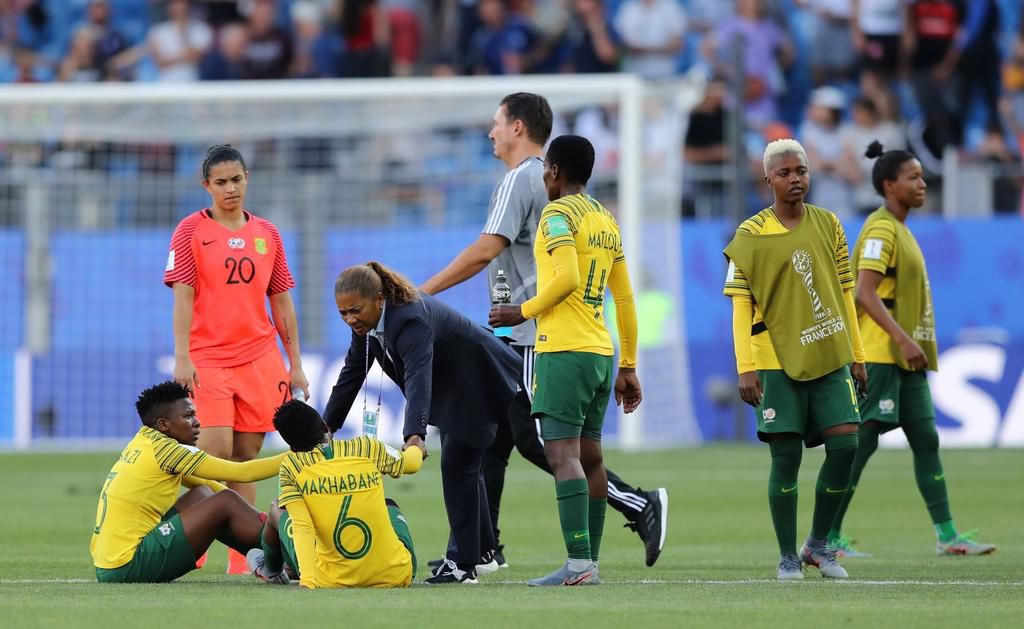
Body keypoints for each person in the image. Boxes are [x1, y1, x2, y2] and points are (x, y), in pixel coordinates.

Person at [421, 92, 668, 569]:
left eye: (496, 123)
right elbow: (617, 292)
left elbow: (485, 250)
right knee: (490, 438)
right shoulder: (591, 208)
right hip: (564, 337)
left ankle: (633, 509)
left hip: (544, 337)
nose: (490, 132)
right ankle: (483, 548)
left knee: (542, 441)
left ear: (518, 128)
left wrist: (421, 292)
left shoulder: (523, 181)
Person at [827, 141, 997, 558]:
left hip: (906, 361)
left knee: (927, 441)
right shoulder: (880, 229)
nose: (922, 184)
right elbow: (864, 293)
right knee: (859, 446)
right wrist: (902, 338)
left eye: (922, 176)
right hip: (882, 356)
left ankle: (948, 535)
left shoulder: (900, 230)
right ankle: (825, 538)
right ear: (889, 185)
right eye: (913, 177)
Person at [488, 134, 641, 586]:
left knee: (561, 454)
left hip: (563, 350)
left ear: (552, 171)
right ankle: (589, 562)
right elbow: (626, 297)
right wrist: (628, 364)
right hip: (599, 352)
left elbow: (569, 278)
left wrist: (523, 310)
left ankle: (578, 564)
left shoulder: (557, 214)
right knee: (591, 456)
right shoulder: (605, 219)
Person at [722, 138, 867, 580]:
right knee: (786, 459)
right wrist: (745, 366)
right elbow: (741, 306)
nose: (795, 179)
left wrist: (857, 355)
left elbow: (845, 293)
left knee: (846, 445)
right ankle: (787, 555)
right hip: (774, 360)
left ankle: (818, 546)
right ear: (767, 179)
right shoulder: (750, 236)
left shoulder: (829, 224)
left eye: (800, 170)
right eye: (784, 173)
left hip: (828, 353)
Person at [324, 261, 520, 584]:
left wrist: (415, 435)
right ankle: (482, 551)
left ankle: (462, 565)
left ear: (378, 298)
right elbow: (352, 373)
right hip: (455, 385)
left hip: (478, 377)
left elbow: (418, 377)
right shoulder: (366, 325)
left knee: (458, 467)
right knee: (466, 467)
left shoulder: (409, 319)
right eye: (343, 313)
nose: (350, 319)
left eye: (355, 310)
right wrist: (325, 427)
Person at [164, 144, 309, 574]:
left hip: (259, 357)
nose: (231, 188)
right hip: (208, 357)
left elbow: (282, 303)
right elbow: (183, 298)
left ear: (248, 179)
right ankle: (192, 544)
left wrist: (294, 361)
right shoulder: (190, 231)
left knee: (246, 456)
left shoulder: (268, 233)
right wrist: (182, 356)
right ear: (206, 186)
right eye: (221, 182)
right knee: (212, 453)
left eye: (237, 179)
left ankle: (243, 559)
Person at [89, 381, 285, 583]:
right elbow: (241, 472)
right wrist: (296, 456)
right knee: (225, 500)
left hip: (111, 563)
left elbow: (209, 485)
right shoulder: (169, 452)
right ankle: (284, 554)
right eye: (188, 416)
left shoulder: (144, 441)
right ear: (163, 424)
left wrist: (252, 515)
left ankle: (274, 556)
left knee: (205, 494)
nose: (197, 422)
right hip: (127, 565)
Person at [245, 400, 424, 588]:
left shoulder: (292, 466)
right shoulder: (367, 447)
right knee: (390, 506)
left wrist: (308, 582)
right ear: (325, 426)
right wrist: (416, 445)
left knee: (277, 507)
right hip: (396, 575)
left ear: (293, 448)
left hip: (333, 580)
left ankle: (271, 569)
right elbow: (412, 464)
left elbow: (302, 526)